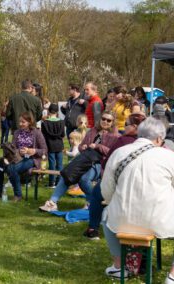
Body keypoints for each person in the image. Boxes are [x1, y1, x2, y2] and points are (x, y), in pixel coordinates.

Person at [100, 117, 174, 282]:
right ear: (159, 139)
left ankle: (119, 267)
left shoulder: (119, 152)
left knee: (106, 214)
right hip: (160, 220)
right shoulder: (169, 156)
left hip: (122, 220)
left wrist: (120, 203)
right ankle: (172, 276)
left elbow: (106, 191)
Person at [83, 112, 146, 240]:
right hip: (144, 184)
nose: (124, 127)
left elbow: (108, 162)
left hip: (122, 182)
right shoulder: (153, 142)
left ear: (134, 126)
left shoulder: (123, 140)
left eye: (126, 124)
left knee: (96, 194)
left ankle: (93, 228)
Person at [39, 111, 119, 212]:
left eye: (109, 120)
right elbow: (81, 147)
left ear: (112, 122)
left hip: (100, 163)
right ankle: (52, 203)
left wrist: (98, 146)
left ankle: (92, 202)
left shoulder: (115, 136)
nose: (105, 122)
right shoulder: (92, 131)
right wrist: (83, 147)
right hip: (84, 160)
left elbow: (113, 153)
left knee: (84, 179)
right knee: (66, 174)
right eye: (103, 119)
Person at [0, 112, 48, 202]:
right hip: (17, 158)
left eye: (23, 122)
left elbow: (45, 150)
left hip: (31, 159)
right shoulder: (17, 132)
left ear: (30, 122)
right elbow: (13, 148)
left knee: (12, 169)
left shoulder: (37, 133)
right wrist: (12, 152)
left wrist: (32, 151)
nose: (20, 124)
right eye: (19, 122)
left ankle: (18, 195)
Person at [41, 104, 65, 188]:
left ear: (48, 111)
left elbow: (43, 136)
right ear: (57, 112)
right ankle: (59, 182)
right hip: (59, 145)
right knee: (60, 164)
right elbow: (62, 134)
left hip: (50, 145)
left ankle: (52, 182)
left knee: (51, 163)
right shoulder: (62, 122)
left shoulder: (44, 123)